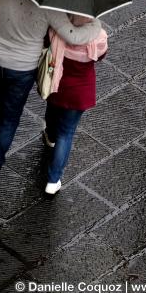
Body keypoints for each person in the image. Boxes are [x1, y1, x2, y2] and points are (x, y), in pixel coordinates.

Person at [0, 0, 102, 186]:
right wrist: (96, 27)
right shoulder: (49, 4)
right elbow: (72, 36)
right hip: (21, 67)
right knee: (8, 122)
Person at [42, 15, 107, 195]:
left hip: (57, 84)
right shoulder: (99, 36)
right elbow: (100, 56)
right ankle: (53, 180)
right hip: (79, 93)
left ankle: (49, 135)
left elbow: (46, 43)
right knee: (67, 133)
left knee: (52, 110)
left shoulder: (57, 29)